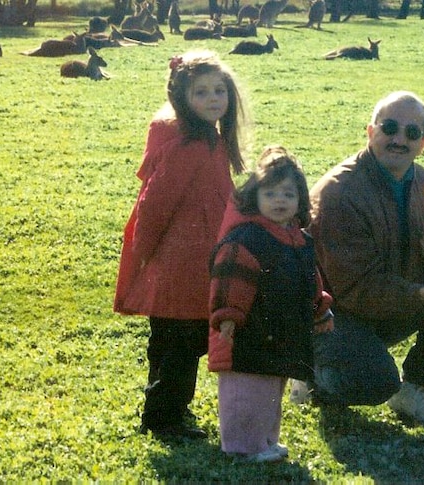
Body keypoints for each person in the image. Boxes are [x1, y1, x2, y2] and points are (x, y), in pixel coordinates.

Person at [307, 91, 424, 425]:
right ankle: (309, 373)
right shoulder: (339, 193)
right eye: (390, 127)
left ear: (423, 143)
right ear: (370, 131)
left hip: (383, 302)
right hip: (330, 314)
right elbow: (353, 289)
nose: (398, 139)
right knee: (376, 382)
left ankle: (414, 389)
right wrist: (417, 293)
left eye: (411, 133)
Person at [113, 50, 249, 439]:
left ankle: (167, 410)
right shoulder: (189, 144)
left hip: (195, 261)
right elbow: (154, 204)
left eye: (219, 90)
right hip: (180, 266)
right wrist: (144, 253)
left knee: (174, 343)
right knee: (181, 345)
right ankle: (163, 418)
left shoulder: (210, 139)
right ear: (181, 97)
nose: (213, 99)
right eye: (202, 92)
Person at [207, 146, 334, 463]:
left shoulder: (300, 240)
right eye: (271, 193)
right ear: (256, 196)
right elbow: (229, 280)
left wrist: (320, 309)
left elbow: (311, 281)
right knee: (246, 391)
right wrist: (228, 317)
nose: (280, 201)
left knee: (270, 391)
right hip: (247, 334)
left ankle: (264, 441)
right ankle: (243, 446)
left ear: (300, 200)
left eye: (288, 194)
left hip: (281, 334)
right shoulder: (246, 238)